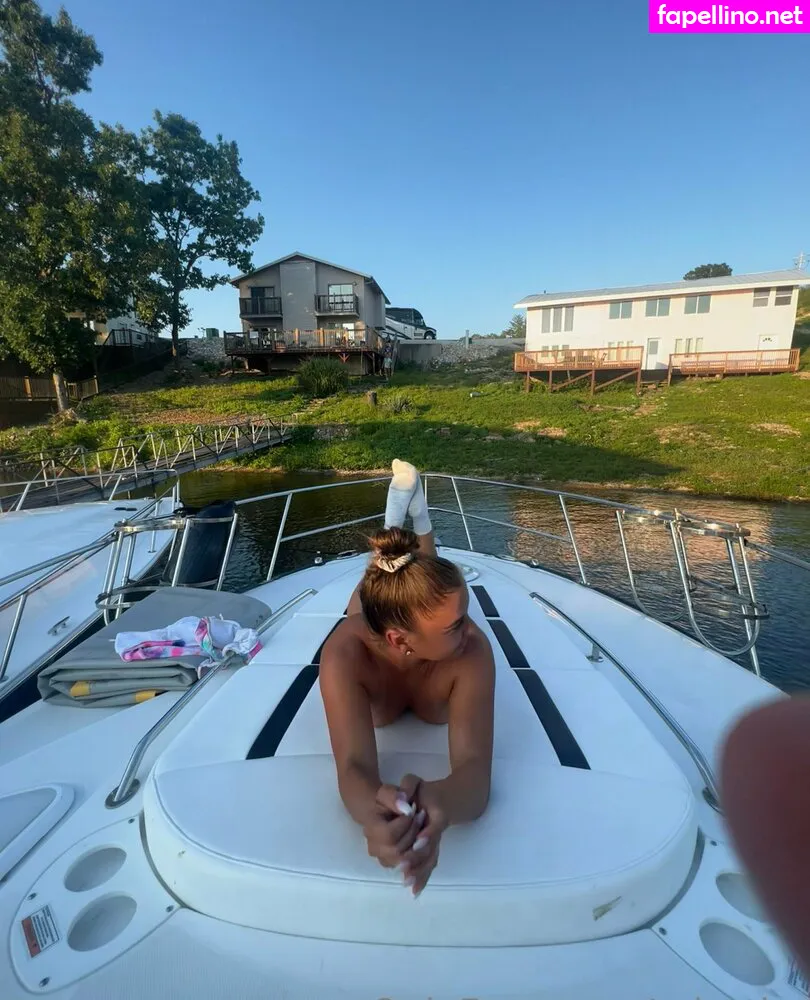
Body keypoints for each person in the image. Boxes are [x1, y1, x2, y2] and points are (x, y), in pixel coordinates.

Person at [319, 460, 495, 896]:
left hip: (407, 633)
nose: (472, 629)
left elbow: (474, 773)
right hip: (375, 632)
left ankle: (414, 517)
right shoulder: (345, 655)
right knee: (366, 600)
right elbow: (353, 768)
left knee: (418, 583)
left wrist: (442, 803)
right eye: (456, 625)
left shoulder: (471, 651)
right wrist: (372, 811)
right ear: (399, 641)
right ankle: (398, 517)